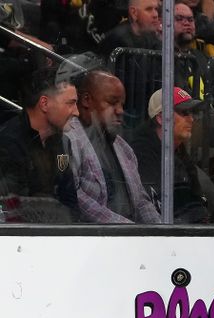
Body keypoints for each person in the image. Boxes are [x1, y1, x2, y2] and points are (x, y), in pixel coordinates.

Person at [64, 70, 161, 224]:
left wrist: (160, 232)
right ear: (86, 100)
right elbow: (75, 196)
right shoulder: (69, 139)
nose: (120, 110)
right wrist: (124, 229)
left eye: (122, 104)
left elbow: (141, 201)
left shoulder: (124, 149)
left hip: (129, 238)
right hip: (92, 240)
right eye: (112, 102)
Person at [0, 67, 78, 223]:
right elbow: (15, 209)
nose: (77, 112)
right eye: (71, 103)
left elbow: (68, 191)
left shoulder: (61, 143)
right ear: (44, 104)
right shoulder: (8, 144)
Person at [127, 87, 210, 223]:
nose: (191, 119)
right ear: (160, 118)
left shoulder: (180, 153)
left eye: (192, 113)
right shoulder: (141, 153)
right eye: (184, 112)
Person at [97, 0, 162, 56]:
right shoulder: (116, 40)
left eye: (156, 9)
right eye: (149, 9)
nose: (155, 15)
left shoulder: (151, 36)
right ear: (134, 13)